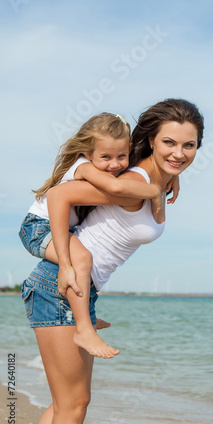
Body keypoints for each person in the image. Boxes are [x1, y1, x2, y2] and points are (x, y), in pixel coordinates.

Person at [21, 98, 204, 424]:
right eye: (169, 142)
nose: (179, 153)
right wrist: (70, 268)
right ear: (151, 140)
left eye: (189, 145)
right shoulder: (134, 183)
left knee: (66, 406)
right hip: (58, 283)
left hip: (76, 290)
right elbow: (60, 194)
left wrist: (165, 183)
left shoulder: (153, 183)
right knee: (72, 408)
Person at [18, 112, 176, 358]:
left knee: (77, 400)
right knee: (80, 259)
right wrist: (154, 191)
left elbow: (133, 171)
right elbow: (115, 187)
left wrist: (173, 176)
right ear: (89, 153)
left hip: (59, 228)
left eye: (121, 156)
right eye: (106, 157)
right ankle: (83, 328)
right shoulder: (84, 167)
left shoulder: (108, 165)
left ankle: (84, 317)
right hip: (38, 226)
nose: (115, 165)